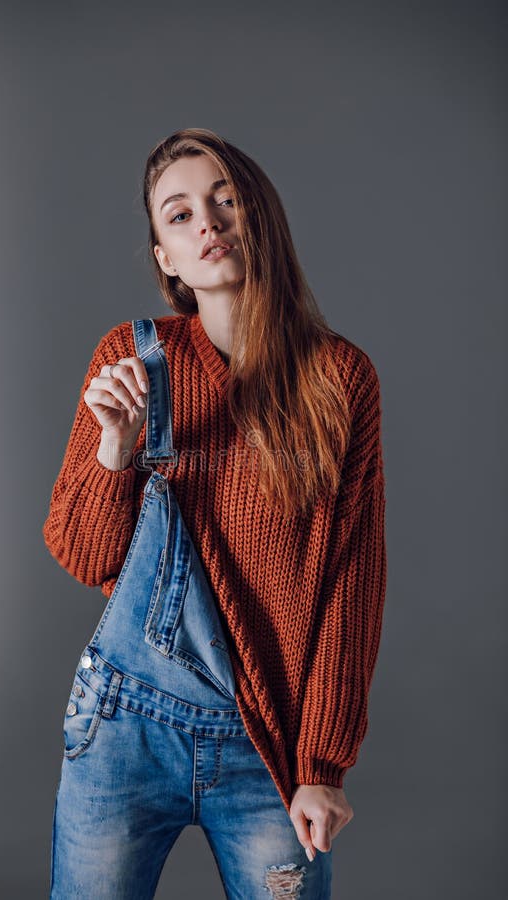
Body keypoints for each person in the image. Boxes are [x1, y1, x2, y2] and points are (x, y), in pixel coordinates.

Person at [43, 127, 387, 899]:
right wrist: (116, 451)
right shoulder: (130, 360)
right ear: (165, 257)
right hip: (123, 727)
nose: (208, 222)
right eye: (180, 214)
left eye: (225, 200)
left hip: (265, 742)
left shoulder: (340, 380)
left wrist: (321, 766)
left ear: (259, 216)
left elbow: (352, 580)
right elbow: (82, 556)